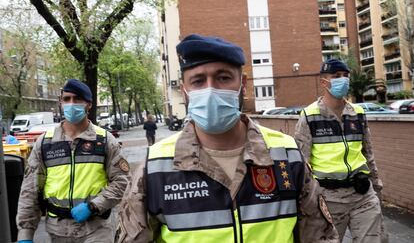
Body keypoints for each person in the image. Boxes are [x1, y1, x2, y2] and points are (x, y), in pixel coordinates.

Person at [116, 34, 339, 243]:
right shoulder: (155, 165)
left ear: (243, 85)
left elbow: (320, 235)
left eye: (223, 78)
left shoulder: (286, 153)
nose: (211, 89)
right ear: (185, 90)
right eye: (198, 81)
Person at [16, 79, 130, 243]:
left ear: (89, 104)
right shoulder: (45, 143)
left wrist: (94, 206)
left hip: (97, 229)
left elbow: (123, 181)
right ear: (60, 103)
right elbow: (30, 190)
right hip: (58, 231)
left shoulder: (104, 141)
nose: (71, 104)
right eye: (67, 99)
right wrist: (25, 234)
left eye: (77, 99)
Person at [294, 59, 387, 243]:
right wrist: (304, 202)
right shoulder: (309, 116)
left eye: (345, 76)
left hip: (362, 195)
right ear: (324, 82)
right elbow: (301, 163)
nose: (342, 80)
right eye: (336, 76)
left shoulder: (358, 113)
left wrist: (376, 188)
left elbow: (368, 154)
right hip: (328, 199)